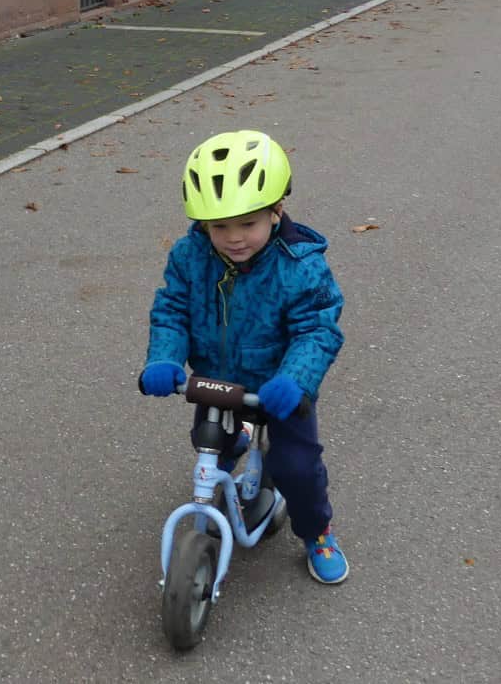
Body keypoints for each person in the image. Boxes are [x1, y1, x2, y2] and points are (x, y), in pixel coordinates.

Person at [139, 130, 349, 584]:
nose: (234, 238)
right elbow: (172, 309)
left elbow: (317, 328)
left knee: (296, 468)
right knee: (211, 443)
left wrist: (295, 379)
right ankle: (241, 464)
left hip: (280, 387)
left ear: (276, 211)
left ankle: (318, 532)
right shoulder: (190, 256)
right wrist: (165, 359)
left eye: (248, 223)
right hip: (218, 382)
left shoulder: (300, 264)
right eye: (219, 227)